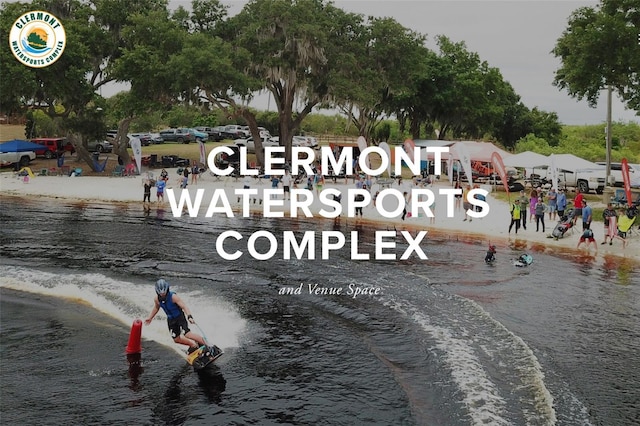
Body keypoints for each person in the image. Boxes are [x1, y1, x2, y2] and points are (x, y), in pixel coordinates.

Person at [144, 279, 206, 353]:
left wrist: (189, 316)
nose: (162, 294)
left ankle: (207, 344)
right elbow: (156, 308)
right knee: (176, 339)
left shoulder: (173, 297)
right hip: (171, 320)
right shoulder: (157, 299)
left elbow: (184, 306)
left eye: (164, 292)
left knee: (187, 334)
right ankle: (193, 345)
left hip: (180, 317)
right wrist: (150, 318)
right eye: (161, 293)